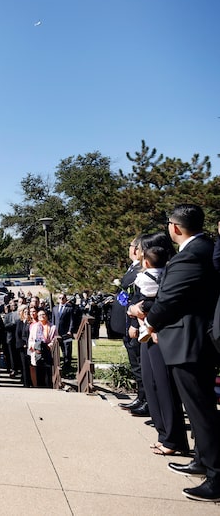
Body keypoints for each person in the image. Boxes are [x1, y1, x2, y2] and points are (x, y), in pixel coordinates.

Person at [133, 204, 220, 502]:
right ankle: (202, 458)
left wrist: (149, 325)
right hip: (193, 340)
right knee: (200, 407)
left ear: (176, 228)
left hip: (189, 343)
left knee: (201, 409)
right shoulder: (204, 249)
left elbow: (170, 299)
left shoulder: (191, 256)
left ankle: (216, 474)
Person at [128, 233, 189, 456]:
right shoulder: (146, 273)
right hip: (147, 333)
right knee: (151, 384)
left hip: (160, 332)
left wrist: (140, 311)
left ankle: (173, 439)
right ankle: (163, 435)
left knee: (164, 387)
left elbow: (164, 300)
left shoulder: (168, 271)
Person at [113, 237, 147, 415]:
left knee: (139, 364)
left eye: (131, 246)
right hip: (126, 324)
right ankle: (141, 397)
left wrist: (134, 323)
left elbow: (138, 297)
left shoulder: (141, 269)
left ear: (136, 249)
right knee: (135, 363)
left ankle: (146, 399)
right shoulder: (134, 267)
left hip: (134, 324)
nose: (129, 249)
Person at [28, 309, 56, 388]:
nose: (41, 316)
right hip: (37, 351)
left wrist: (50, 345)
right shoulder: (34, 326)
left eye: (43, 314)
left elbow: (54, 339)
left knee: (47, 370)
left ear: (46, 316)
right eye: (39, 315)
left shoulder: (52, 327)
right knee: (38, 370)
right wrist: (34, 346)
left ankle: (48, 387)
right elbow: (31, 339)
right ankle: (40, 387)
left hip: (47, 350)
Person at [53, 293, 79, 373]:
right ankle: (58, 365)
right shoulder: (55, 308)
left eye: (63, 298)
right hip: (57, 332)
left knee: (67, 349)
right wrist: (53, 331)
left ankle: (67, 365)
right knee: (58, 349)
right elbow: (53, 320)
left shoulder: (69, 308)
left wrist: (70, 330)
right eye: (60, 298)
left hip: (66, 332)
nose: (61, 299)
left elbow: (72, 320)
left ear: (65, 299)